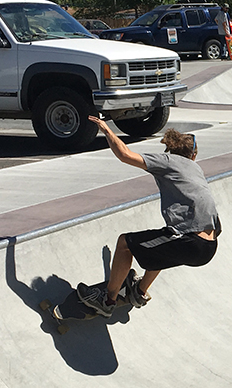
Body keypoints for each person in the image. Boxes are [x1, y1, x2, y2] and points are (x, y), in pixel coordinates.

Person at [78, 116, 221, 316]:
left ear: (172, 149)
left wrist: (106, 130)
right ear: (194, 155)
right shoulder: (196, 169)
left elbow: (124, 154)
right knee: (164, 240)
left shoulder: (169, 160)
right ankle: (139, 291)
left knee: (124, 243)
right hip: (210, 245)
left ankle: (107, 301)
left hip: (191, 242)